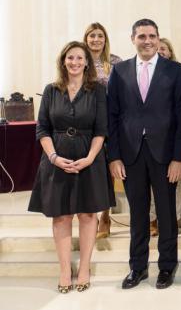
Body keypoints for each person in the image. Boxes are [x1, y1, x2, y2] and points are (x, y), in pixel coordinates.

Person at [107, 19, 181, 290]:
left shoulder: (175, 70)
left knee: (166, 214)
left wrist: (179, 157)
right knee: (138, 215)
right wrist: (114, 157)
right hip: (131, 154)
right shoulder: (119, 71)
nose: (147, 41)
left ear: (158, 38)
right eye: (142, 36)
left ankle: (167, 267)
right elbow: (113, 117)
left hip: (165, 155)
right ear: (133, 39)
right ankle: (137, 267)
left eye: (152, 36)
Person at [28, 41, 114, 293]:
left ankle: (85, 267)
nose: (74, 62)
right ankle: (65, 269)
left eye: (79, 58)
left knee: (88, 214)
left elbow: (101, 130)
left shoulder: (97, 90)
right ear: (63, 61)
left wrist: (89, 158)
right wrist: (53, 157)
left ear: (87, 62)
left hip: (90, 158)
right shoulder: (51, 90)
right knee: (61, 215)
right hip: (56, 160)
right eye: (70, 58)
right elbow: (42, 128)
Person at [83, 22, 122, 240]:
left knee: (107, 169)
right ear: (86, 38)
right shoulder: (79, 59)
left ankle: (105, 215)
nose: (96, 39)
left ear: (105, 39)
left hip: (108, 122)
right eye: (92, 36)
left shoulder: (115, 62)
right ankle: (90, 215)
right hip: (84, 123)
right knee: (88, 168)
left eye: (100, 36)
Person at [149, 37, 181, 237]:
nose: (161, 52)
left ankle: (173, 220)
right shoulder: (140, 72)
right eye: (158, 49)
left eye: (165, 49)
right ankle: (153, 219)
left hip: (170, 143)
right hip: (147, 143)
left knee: (172, 186)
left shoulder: (176, 73)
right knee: (151, 190)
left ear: (170, 53)